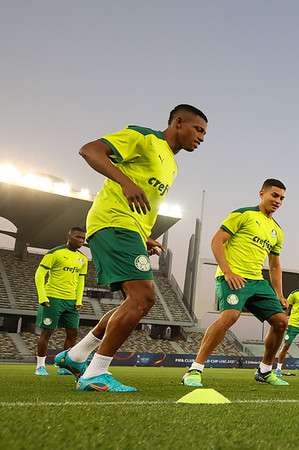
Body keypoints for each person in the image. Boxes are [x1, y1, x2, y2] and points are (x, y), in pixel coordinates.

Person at [55, 105, 208, 392]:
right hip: (113, 221)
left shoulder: (173, 165)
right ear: (178, 123)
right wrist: (125, 182)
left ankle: (75, 356)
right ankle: (94, 373)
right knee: (143, 297)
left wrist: (144, 236)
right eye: (198, 129)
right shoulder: (144, 137)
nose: (201, 137)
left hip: (130, 230)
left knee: (134, 300)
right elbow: (89, 150)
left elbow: (144, 202)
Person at [182, 179, 290, 387]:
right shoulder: (243, 214)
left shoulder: (277, 230)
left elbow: (275, 265)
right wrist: (228, 271)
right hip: (232, 277)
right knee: (230, 316)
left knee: (281, 322)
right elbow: (217, 241)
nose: (278, 201)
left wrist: (279, 293)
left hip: (257, 282)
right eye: (274, 195)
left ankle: (265, 371)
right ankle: (194, 370)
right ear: (262, 194)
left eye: (282, 198)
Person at [33, 227, 88, 376]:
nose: (81, 241)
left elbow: (81, 281)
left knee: (72, 333)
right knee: (47, 332)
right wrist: (42, 297)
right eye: (78, 237)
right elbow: (39, 274)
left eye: (83, 238)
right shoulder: (54, 253)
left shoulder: (83, 258)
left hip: (71, 302)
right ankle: (40, 366)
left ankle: (63, 366)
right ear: (69, 236)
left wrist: (79, 300)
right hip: (53, 298)